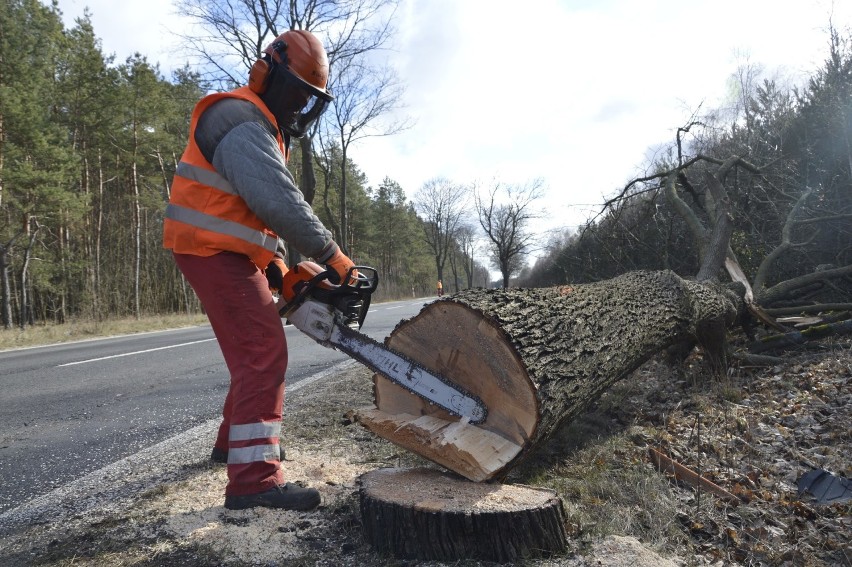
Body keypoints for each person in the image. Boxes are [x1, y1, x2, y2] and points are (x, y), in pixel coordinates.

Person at [163, 30, 355, 511]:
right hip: (211, 251)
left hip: (224, 249)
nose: (297, 105)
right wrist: (333, 255)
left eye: (306, 99)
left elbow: (242, 211)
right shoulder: (242, 118)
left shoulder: (259, 122)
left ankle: (234, 445)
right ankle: (254, 480)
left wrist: (275, 264)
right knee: (262, 352)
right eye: (293, 92)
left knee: (252, 352)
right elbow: (278, 201)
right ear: (265, 73)